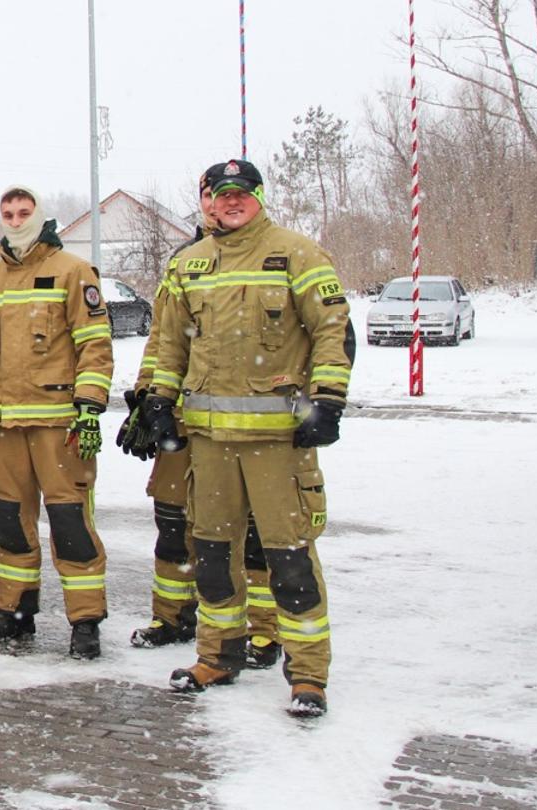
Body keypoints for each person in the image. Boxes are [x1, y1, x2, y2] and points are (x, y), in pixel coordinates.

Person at [132, 159, 352, 718]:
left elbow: (331, 330)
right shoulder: (193, 263)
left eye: (241, 194)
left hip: (277, 442)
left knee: (290, 560)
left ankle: (308, 674)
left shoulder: (297, 254)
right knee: (211, 556)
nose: (231, 202)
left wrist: (328, 399)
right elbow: (170, 342)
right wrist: (157, 398)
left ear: (258, 197)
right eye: (222, 194)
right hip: (210, 442)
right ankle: (216, 656)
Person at [121, 180, 284, 668]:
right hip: (183, 417)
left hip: (246, 424)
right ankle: (173, 615)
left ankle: (264, 631)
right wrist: (146, 398)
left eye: (229, 196)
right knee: (172, 521)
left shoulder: (275, 257)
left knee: (251, 531)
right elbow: (163, 340)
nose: (219, 205)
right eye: (210, 195)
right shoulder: (185, 262)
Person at [0, 186, 115, 659]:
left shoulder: (73, 272)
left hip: (59, 424)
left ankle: (85, 619)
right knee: (10, 521)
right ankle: (15, 611)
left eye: (24, 212)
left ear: (40, 216)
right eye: (8, 213)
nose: (15, 220)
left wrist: (91, 405)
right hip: (6, 423)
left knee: (69, 520)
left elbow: (95, 343)